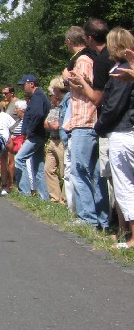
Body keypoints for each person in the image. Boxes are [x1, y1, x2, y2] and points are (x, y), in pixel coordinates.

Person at [63, 25, 109, 228]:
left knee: (79, 171)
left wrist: (68, 79)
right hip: (91, 122)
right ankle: (101, 218)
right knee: (95, 173)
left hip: (84, 120)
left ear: (69, 42)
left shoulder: (82, 61)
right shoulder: (90, 58)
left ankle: (87, 217)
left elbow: (87, 88)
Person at [95, 27, 134, 246]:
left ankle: (132, 237)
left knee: (125, 186)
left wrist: (100, 126)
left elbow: (115, 106)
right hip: (127, 129)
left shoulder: (121, 71)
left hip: (122, 131)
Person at [14, 74, 50, 200]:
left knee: (19, 158)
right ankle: (44, 197)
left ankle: (25, 192)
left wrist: (30, 130)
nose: (23, 88)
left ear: (31, 84)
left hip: (35, 135)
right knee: (38, 166)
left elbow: (39, 114)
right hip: (39, 134)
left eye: (24, 85)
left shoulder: (37, 97)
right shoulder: (39, 96)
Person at [44, 77, 68, 204]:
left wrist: (51, 124)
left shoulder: (64, 105)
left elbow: (57, 125)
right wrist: (50, 124)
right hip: (52, 140)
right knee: (48, 169)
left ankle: (64, 199)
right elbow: (46, 124)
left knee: (64, 171)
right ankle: (55, 197)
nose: (50, 97)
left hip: (61, 141)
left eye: (51, 94)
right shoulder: (52, 108)